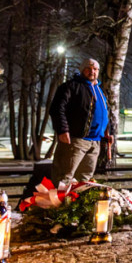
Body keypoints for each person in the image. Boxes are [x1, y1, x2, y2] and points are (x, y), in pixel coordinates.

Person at [49, 58, 111, 187]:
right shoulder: (71, 86)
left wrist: (108, 132)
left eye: (95, 69)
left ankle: (80, 206)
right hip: (75, 140)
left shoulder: (100, 90)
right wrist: (63, 130)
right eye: (88, 68)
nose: (92, 71)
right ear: (82, 70)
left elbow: (105, 113)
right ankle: (58, 205)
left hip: (95, 142)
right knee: (64, 177)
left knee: (85, 180)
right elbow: (57, 108)